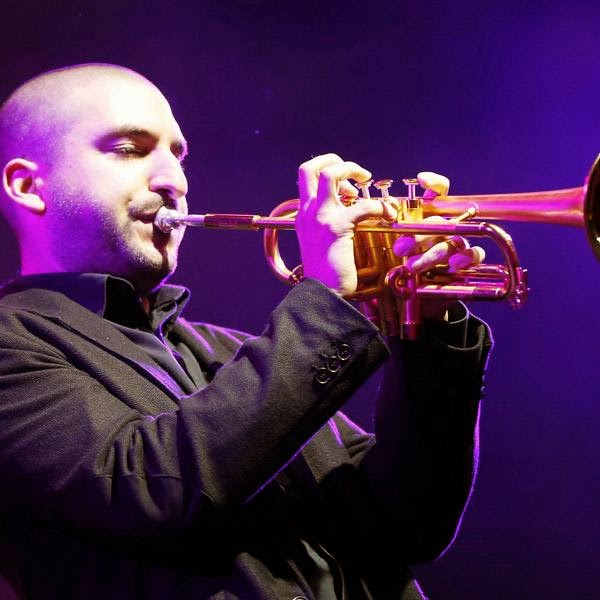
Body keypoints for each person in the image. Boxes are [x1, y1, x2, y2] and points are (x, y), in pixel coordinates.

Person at [0, 63, 492, 600]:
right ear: (27, 186)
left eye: (178, 155)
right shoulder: (14, 344)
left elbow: (405, 522)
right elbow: (157, 486)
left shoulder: (226, 351)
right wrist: (328, 300)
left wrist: (427, 333)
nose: (174, 181)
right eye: (130, 149)